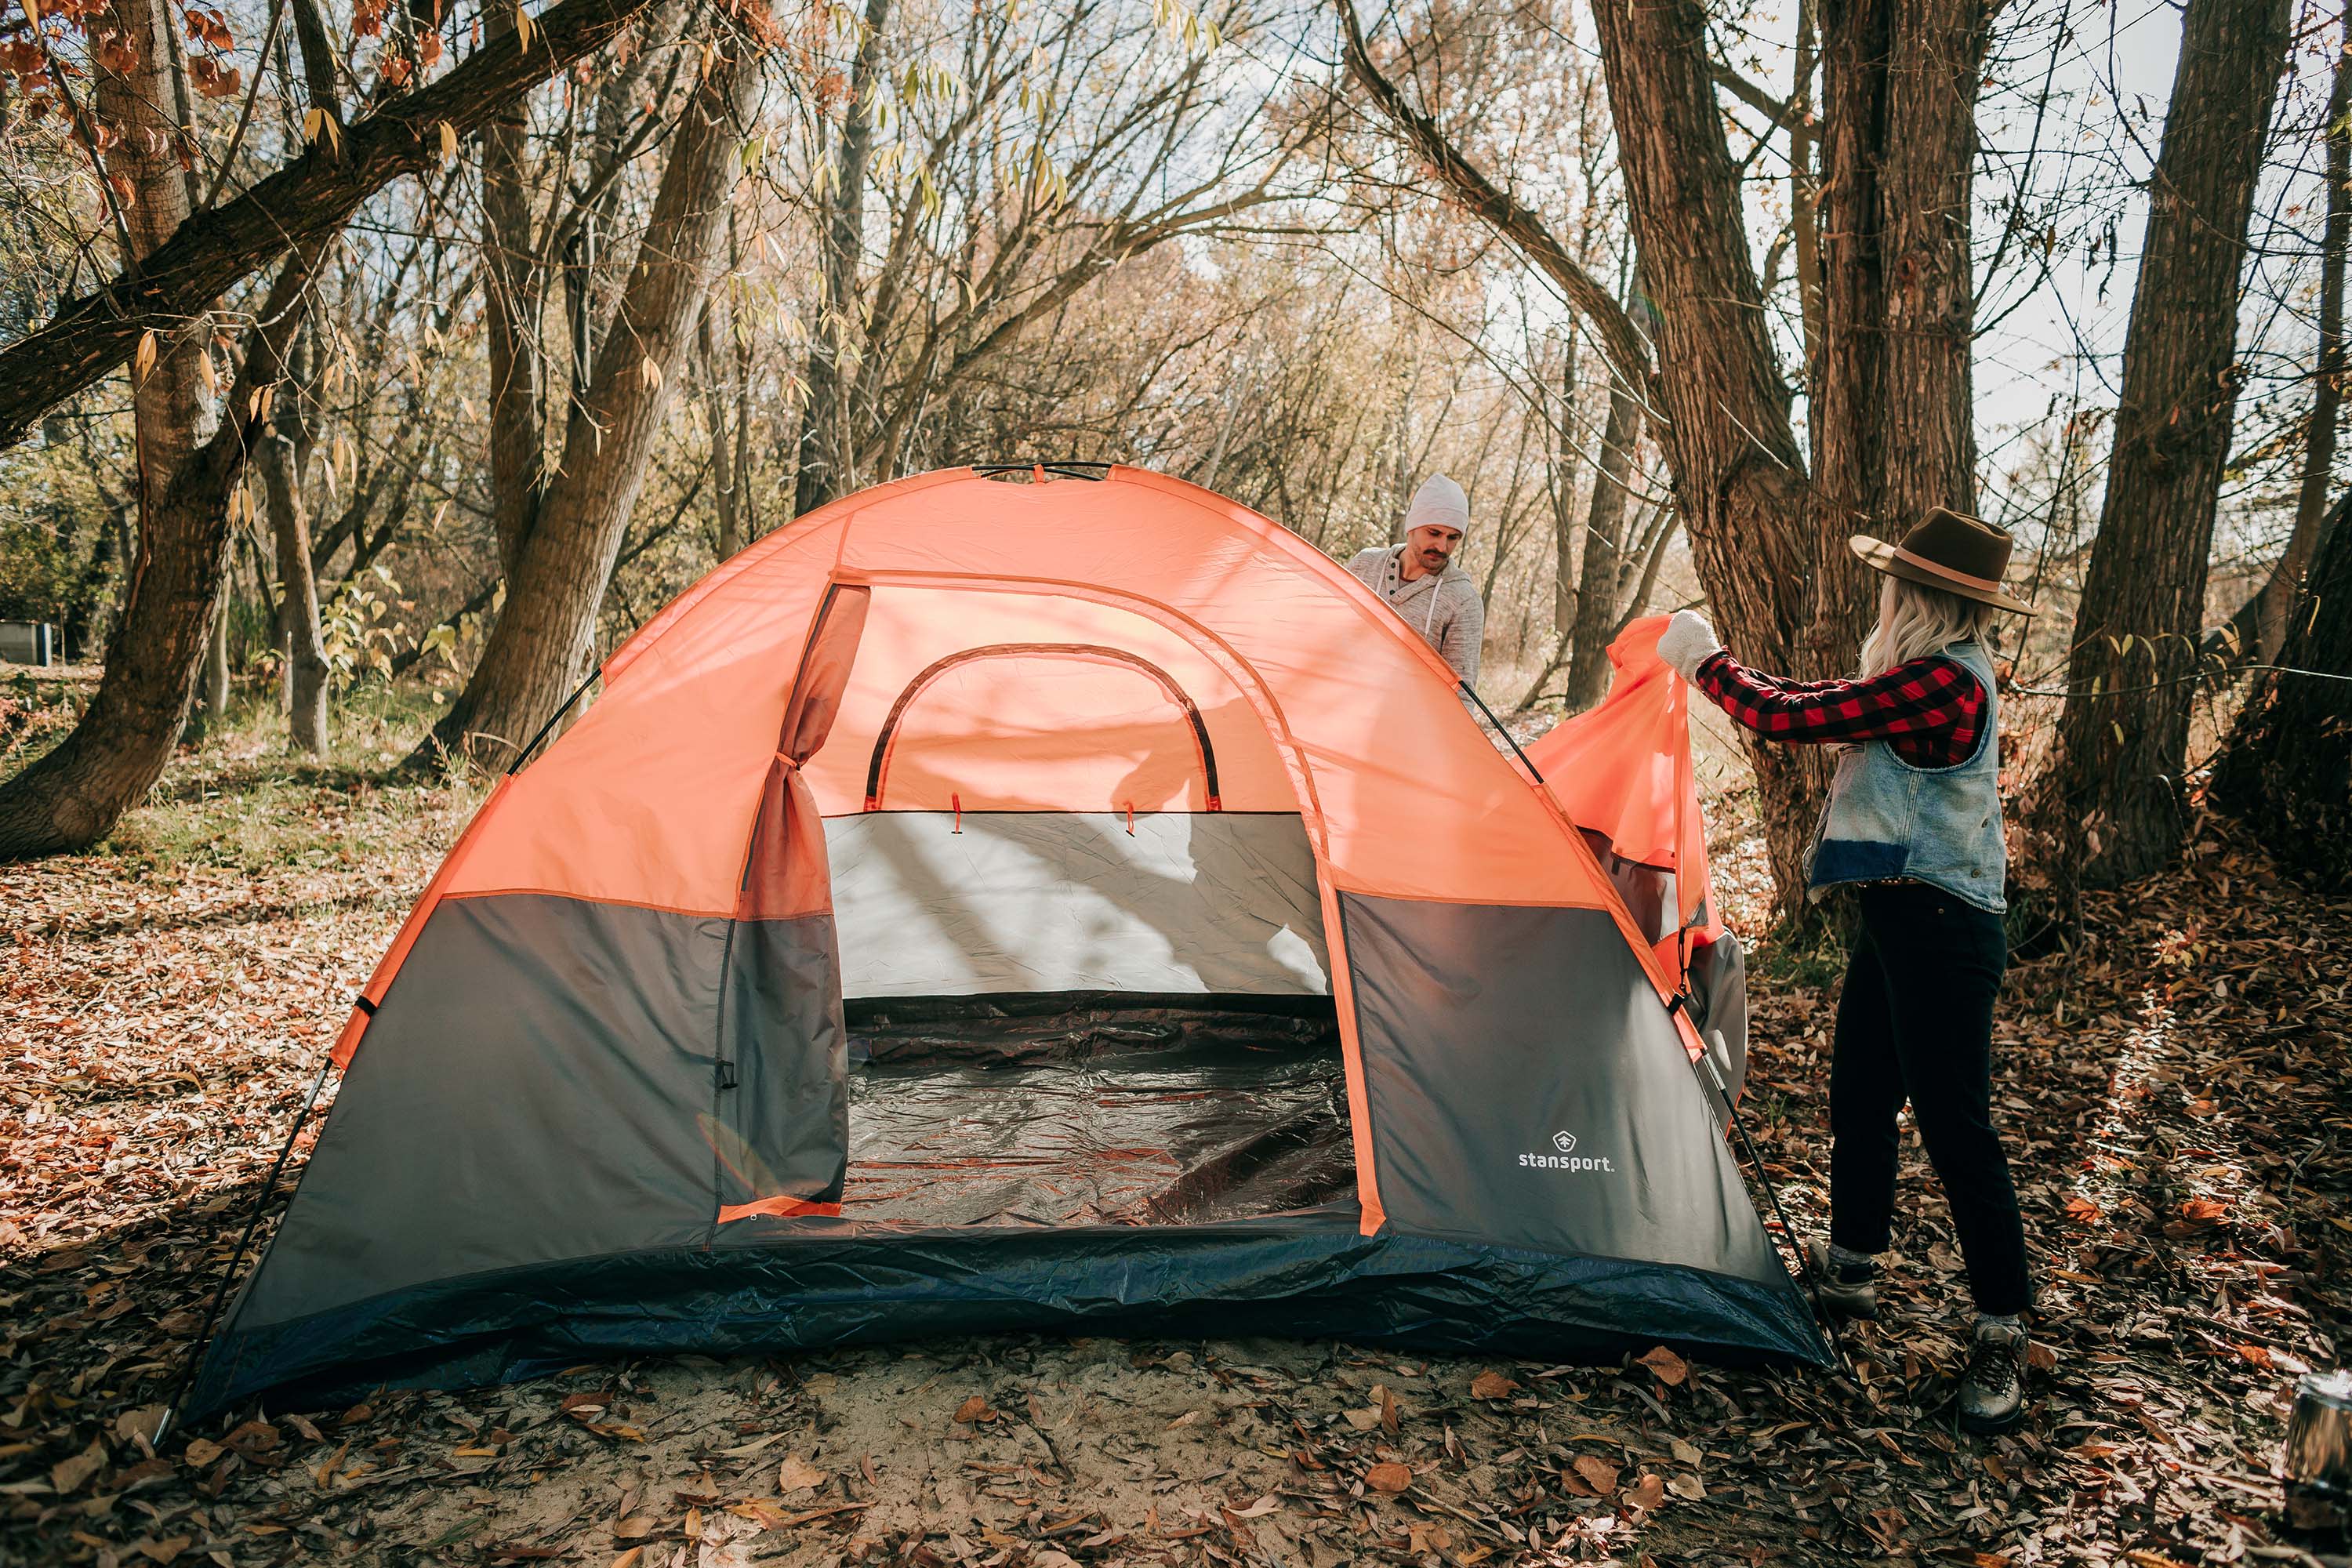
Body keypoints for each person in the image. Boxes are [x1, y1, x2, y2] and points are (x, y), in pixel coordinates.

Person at [1655, 506, 2037, 1436]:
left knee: (1956, 1128)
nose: (1885, 595)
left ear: (1920, 597)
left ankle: (2003, 1328)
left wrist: (1706, 662)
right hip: (1901, 917)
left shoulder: (1945, 682)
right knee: (1860, 1094)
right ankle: (1853, 1265)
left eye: (1895, 584)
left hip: (1945, 929)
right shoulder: (1927, 676)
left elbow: (1792, 715)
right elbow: (1822, 702)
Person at [1345, 474, 1486, 688]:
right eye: (1434, 533)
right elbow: (1330, 635)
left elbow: (1461, 695)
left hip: (1406, 709)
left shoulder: (1463, 601)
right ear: (1412, 526)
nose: (1442, 547)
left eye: (1452, 538)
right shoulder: (1364, 566)